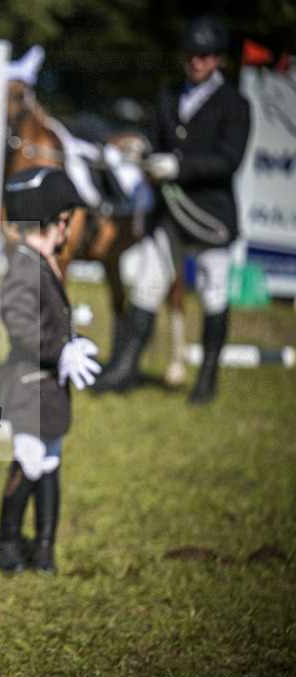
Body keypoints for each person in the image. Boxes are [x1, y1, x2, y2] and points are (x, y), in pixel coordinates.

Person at [95, 15, 251, 404]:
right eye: (191, 54)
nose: (196, 61)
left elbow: (228, 160)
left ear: (218, 59)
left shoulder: (235, 104)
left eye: (205, 55)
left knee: (213, 294)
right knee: (147, 286)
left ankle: (207, 379)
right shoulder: (169, 95)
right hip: (168, 216)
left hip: (210, 216)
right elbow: (158, 142)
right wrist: (143, 152)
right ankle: (125, 369)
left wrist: (180, 167)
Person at [0, 166, 102, 574]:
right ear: (53, 221)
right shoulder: (24, 265)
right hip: (28, 386)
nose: (68, 229)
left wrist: (72, 335)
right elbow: (19, 323)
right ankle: (7, 543)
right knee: (29, 458)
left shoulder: (44, 262)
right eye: (66, 221)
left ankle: (44, 549)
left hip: (49, 388)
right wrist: (61, 350)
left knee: (50, 462)